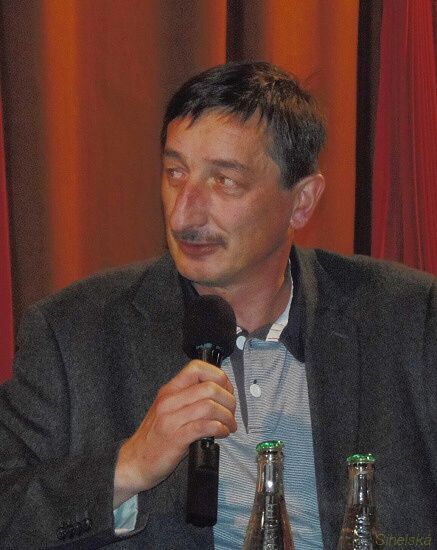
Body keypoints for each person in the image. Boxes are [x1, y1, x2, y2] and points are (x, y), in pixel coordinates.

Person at [0, 61, 435, 549]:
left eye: (224, 180)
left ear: (302, 202)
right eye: (175, 173)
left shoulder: (409, 319)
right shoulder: (73, 332)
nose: (184, 214)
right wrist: (130, 465)